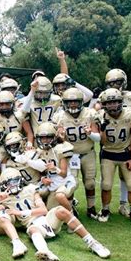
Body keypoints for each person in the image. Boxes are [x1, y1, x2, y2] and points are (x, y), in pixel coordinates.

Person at [0, 168, 111, 261]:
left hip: (46, 220)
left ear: (20, 180)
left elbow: (43, 210)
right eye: (8, 184)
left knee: (61, 210)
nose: (12, 186)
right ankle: (46, 253)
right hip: (32, 225)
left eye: (14, 182)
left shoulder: (30, 189)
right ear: (3, 185)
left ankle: (92, 243)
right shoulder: (4, 198)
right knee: (33, 229)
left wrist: (19, 213)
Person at [96, 88, 131, 225]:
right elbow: (103, 142)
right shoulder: (100, 116)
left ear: (120, 102)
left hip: (125, 154)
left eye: (115, 102)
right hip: (108, 155)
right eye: (109, 103)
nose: (112, 105)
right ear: (104, 104)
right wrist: (103, 128)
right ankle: (105, 210)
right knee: (106, 184)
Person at [52, 87, 100, 218]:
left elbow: (98, 137)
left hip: (87, 153)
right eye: (70, 101)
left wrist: (90, 134)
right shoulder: (59, 117)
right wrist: (60, 137)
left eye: (76, 101)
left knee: (90, 182)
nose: (73, 104)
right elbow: (57, 141)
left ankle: (91, 208)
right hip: (71, 156)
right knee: (71, 184)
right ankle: (70, 207)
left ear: (81, 102)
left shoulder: (90, 114)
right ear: (65, 103)